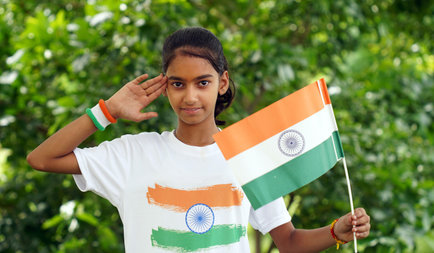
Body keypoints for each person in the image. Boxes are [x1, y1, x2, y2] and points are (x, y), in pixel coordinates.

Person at [27, 27, 370, 252]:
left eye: (202, 83)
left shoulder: (247, 156)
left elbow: (289, 241)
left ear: (222, 83)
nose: (190, 96)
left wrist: (335, 231)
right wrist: (108, 111)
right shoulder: (134, 153)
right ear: (165, 85)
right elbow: (42, 159)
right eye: (178, 83)